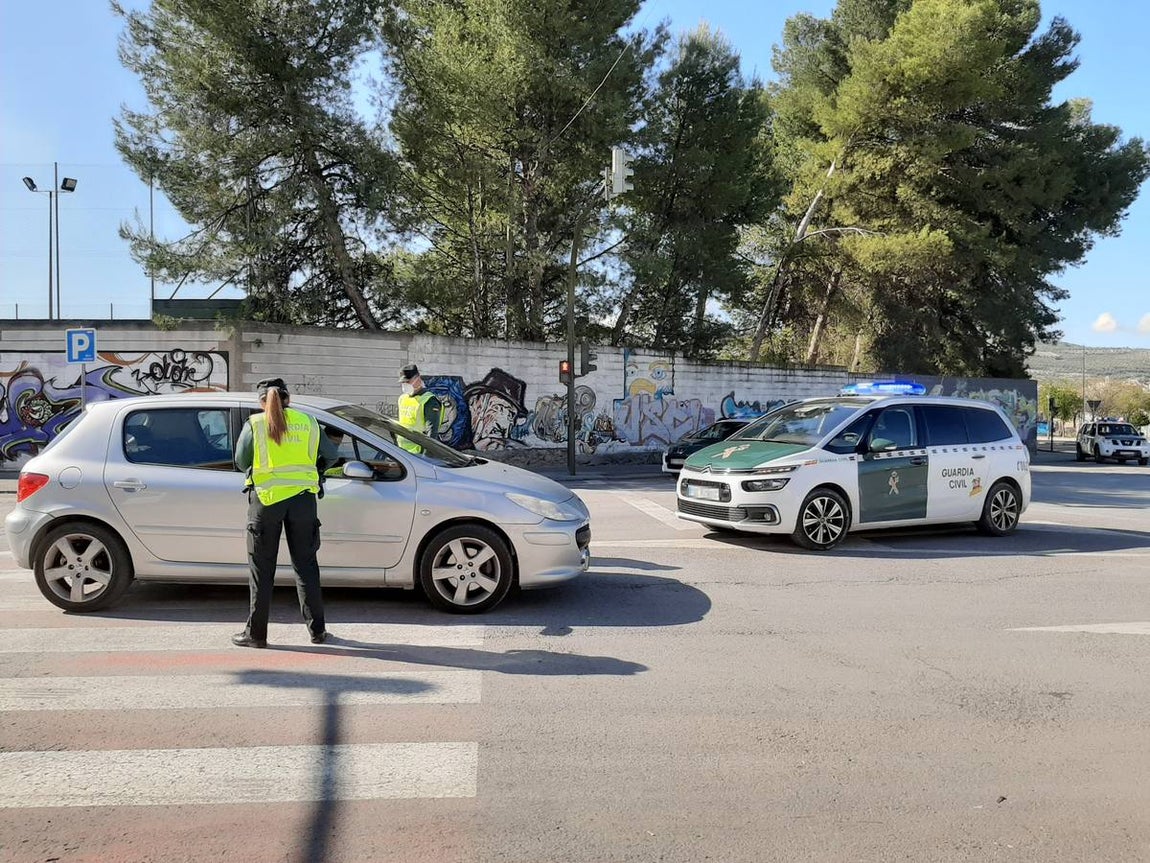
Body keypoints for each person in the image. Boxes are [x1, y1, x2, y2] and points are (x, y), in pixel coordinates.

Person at [231, 378, 340, 649]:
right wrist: (314, 470)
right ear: (289, 398)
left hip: (266, 502)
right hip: (303, 501)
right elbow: (331, 456)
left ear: (261, 402)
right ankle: (318, 632)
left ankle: (256, 635)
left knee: (261, 570)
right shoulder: (309, 422)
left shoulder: (255, 424)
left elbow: (241, 460)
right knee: (306, 567)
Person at [397, 364, 441, 454]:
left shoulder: (429, 400)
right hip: (401, 452)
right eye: (403, 382)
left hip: (418, 454)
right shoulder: (402, 398)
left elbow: (431, 433)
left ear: (418, 379)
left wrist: (426, 457)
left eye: (408, 382)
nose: (405, 385)